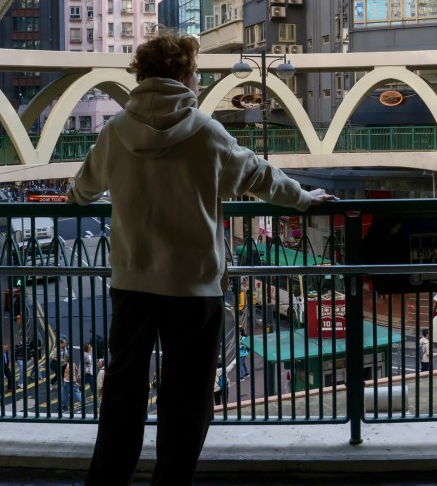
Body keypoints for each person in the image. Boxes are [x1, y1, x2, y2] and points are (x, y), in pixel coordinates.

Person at [74, 32, 336, 485]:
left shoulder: (115, 131)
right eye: (194, 71)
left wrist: (75, 196)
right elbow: (259, 175)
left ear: (143, 75)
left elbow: (84, 188)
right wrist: (303, 199)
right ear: (183, 74)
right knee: (188, 397)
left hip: (132, 284)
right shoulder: (206, 132)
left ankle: (106, 484)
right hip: (193, 288)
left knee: (123, 391)